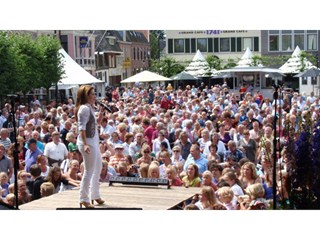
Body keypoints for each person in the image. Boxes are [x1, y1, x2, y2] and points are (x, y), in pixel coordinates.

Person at [75, 85, 105, 208]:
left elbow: (94, 124)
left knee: (98, 167)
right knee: (89, 171)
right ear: (86, 96)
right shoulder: (84, 109)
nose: (94, 96)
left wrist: (101, 114)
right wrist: (85, 144)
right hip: (87, 142)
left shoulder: (90, 108)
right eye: (92, 94)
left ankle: (95, 195)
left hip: (93, 141)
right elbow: (81, 128)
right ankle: (83, 198)